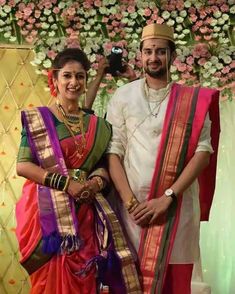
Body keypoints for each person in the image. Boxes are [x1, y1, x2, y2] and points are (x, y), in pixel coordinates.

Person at [15, 48, 141, 294]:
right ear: (55, 79)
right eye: (67, 76)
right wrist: (66, 184)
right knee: (51, 276)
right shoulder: (40, 119)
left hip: (86, 209)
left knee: (86, 274)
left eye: (80, 76)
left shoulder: (97, 124)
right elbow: (23, 165)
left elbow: (104, 164)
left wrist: (94, 183)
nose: (74, 82)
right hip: (49, 212)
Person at [106, 23, 220, 293]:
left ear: (172, 55)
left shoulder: (191, 100)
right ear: (140, 55)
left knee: (175, 282)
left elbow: (203, 152)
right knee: (130, 280)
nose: (153, 58)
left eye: (160, 51)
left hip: (176, 209)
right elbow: (113, 150)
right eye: (148, 51)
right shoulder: (123, 96)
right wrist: (130, 202)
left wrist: (168, 196)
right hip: (132, 211)